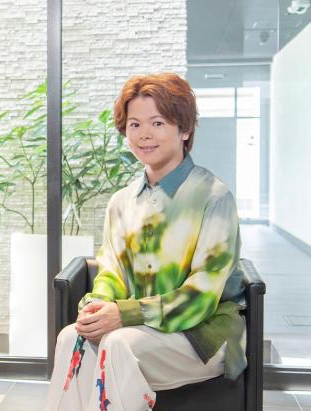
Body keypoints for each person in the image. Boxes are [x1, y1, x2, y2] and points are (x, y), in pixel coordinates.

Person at [44, 73, 245, 411]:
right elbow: (112, 271)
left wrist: (125, 314)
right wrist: (97, 307)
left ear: (184, 130)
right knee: (71, 337)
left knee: (120, 345)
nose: (144, 134)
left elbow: (201, 297)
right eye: (134, 124)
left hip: (203, 334)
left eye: (158, 123)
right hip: (139, 327)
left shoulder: (214, 196)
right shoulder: (121, 202)